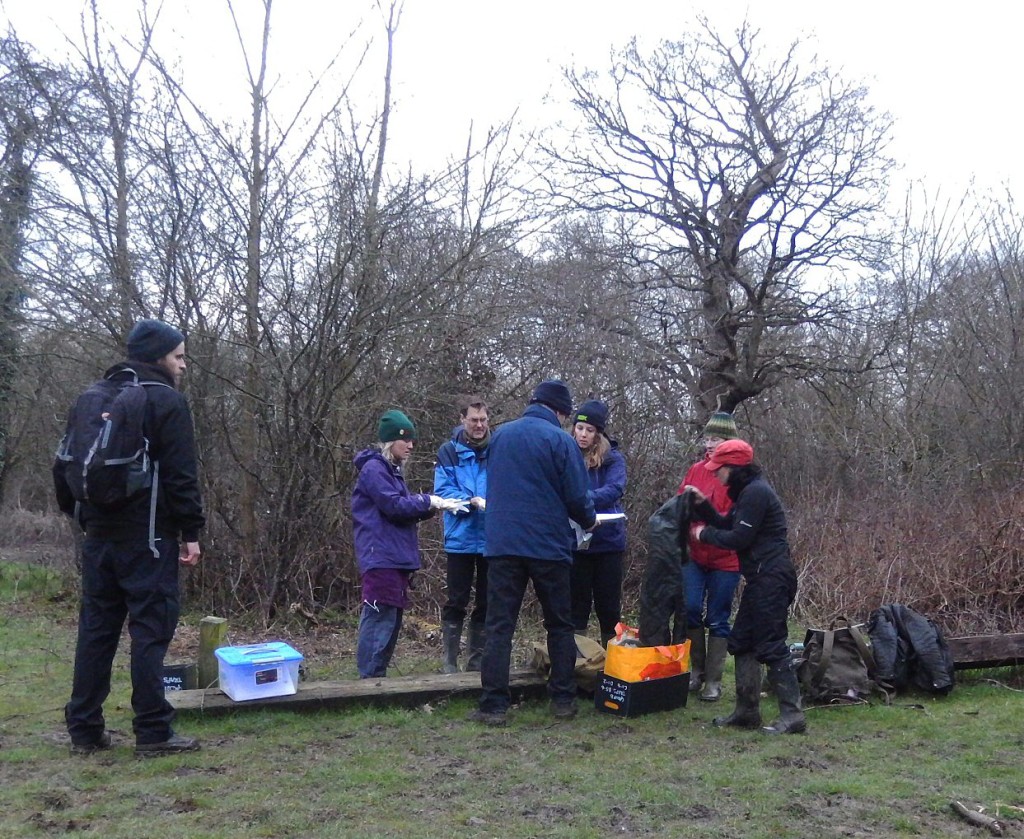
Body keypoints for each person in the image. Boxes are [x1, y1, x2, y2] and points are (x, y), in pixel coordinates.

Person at [57, 319, 205, 756]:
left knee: (96, 631)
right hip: (148, 538)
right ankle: (154, 731)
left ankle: (84, 729)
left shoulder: (92, 397)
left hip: (98, 537)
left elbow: (64, 466)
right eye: (178, 356)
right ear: (159, 356)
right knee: (150, 633)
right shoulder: (165, 402)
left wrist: (86, 519)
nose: (182, 365)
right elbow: (181, 477)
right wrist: (190, 532)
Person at [469, 380, 596, 726]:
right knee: (559, 624)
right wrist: (590, 520)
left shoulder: (500, 437)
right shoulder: (560, 441)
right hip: (548, 546)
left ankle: (493, 704)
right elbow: (576, 495)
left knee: (499, 626)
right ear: (559, 411)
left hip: (503, 544)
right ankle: (563, 699)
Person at [685, 439, 805, 735]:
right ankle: (746, 711)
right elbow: (729, 523)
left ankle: (792, 715)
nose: (715, 474)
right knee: (742, 641)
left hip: (772, 579)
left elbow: (738, 538)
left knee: (771, 644)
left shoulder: (756, 493)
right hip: (760, 578)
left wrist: (703, 535)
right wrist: (704, 506)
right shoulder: (749, 491)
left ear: (735, 468)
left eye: (720, 469)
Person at [352, 409, 457, 679]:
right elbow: (394, 506)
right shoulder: (375, 469)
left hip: (393, 558)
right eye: (406, 440)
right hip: (381, 558)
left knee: (390, 619)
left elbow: (403, 509)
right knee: (379, 617)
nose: (411, 445)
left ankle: (377, 678)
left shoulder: (390, 470)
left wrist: (434, 506)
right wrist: (428, 501)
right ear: (390, 441)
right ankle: (369, 681)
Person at [678, 412, 742, 702]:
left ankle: (714, 681)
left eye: (716, 439)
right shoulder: (696, 469)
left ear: (730, 442)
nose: (710, 444)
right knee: (690, 608)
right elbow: (681, 504)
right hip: (695, 554)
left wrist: (709, 526)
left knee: (718, 617)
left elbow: (737, 517)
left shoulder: (737, 476)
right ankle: (696, 672)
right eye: (707, 438)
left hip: (726, 559)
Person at [434, 397, 490, 673]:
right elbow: (443, 492)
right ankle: (449, 661)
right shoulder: (448, 452)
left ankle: (477, 661)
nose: (479, 425)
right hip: (461, 538)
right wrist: (471, 502)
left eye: (483, 420)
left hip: (492, 538)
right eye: (473, 420)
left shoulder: (498, 449)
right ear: (462, 419)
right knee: (457, 600)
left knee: (487, 601)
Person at [569, 399, 626, 647]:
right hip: (575, 543)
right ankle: (579, 660)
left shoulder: (613, 458)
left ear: (598, 433)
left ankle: (612, 662)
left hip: (607, 543)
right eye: (579, 429)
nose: (583, 434)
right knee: (576, 607)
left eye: (589, 430)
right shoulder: (565, 453)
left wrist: (582, 500)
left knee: (609, 608)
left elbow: (614, 489)